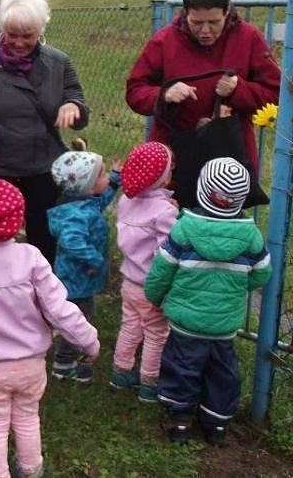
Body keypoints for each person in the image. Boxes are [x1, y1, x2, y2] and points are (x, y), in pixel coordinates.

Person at [0, 178, 100, 478]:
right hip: (30, 364)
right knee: (28, 418)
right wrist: (88, 339)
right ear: (19, 222)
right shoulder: (31, 258)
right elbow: (58, 308)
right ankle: (31, 469)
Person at [0, 0, 89, 265]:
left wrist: (72, 106)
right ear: (3, 29)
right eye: (11, 35)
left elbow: (78, 102)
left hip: (42, 166)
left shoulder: (59, 62)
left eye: (27, 36)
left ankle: (41, 293)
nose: (18, 43)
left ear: (40, 31)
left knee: (43, 240)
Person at [145, 157, 271, 445]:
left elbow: (162, 269)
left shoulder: (185, 228)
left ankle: (179, 419)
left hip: (186, 322)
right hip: (224, 324)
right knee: (222, 371)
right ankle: (216, 425)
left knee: (182, 366)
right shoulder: (251, 234)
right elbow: (262, 273)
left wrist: (155, 296)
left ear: (202, 189)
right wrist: (238, 286)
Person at [126, 0, 280, 195]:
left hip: (230, 162)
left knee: (224, 230)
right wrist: (164, 94)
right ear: (186, 12)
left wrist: (239, 89)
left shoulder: (249, 38)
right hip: (174, 161)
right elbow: (134, 91)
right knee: (170, 225)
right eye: (197, 22)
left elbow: (276, 95)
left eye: (214, 22)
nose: (206, 31)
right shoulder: (164, 41)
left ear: (227, 11)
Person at [111, 142, 178, 403]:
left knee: (130, 326)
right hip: (152, 285)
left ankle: (121, 371)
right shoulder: (164, 211)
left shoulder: (126, 202)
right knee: (156, 333)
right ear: (160, 177)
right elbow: (168, 250)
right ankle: (149, 382)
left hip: (129, 281)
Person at [47, 150, 122, 382]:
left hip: (80, 279)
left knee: (82, 317)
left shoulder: (85, 202)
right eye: (102, 175)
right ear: (88, 187)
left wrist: (116, 177)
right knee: (77, 320)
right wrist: (95, 260)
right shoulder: (76, 215)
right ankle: (63, 363)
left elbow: (103, 198)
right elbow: (72, 241)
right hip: (75, 281)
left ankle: (74, 355)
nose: (106, 177)